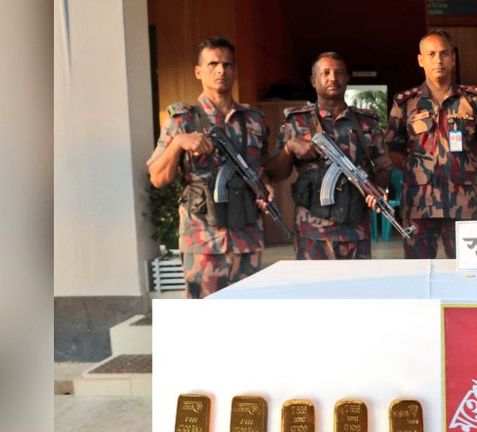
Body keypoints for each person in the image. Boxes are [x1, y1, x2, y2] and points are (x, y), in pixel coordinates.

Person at [147, 37, 271, 298]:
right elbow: (157, 178)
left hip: (247, 237)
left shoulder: (254, 119)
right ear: (198, 71)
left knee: (248, 314)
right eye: (213, 64)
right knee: (203, 317)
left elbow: (262, 168)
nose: (220, 70)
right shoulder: (182, 119)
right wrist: (178, 143)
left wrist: (265, 184)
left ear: (235, 71)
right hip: (202, 241)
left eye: (227, 65)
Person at [266, 52, 392, 260]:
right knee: (314, 282)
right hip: (312, 231)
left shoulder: (366, 122)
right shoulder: (296, 121)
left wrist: (377, 188)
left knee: (358, 281)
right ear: (313, 80)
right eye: (326, 73)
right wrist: (289, 148)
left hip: (356, 230)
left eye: (339, 73)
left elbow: (383, 167)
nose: (333, 78)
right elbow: (275, 174)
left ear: (347, 78)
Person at [385, 30, 477, 259]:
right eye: (432, 54)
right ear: (420, 60)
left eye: (444, 54)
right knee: (418, 268)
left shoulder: (473, 100)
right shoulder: (406, 103)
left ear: (453, 59)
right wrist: (415, 170)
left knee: (465, 267)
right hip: (418, 202)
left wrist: (466, 170)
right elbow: (392, 149)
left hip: (462, 201)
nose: (438, 60)